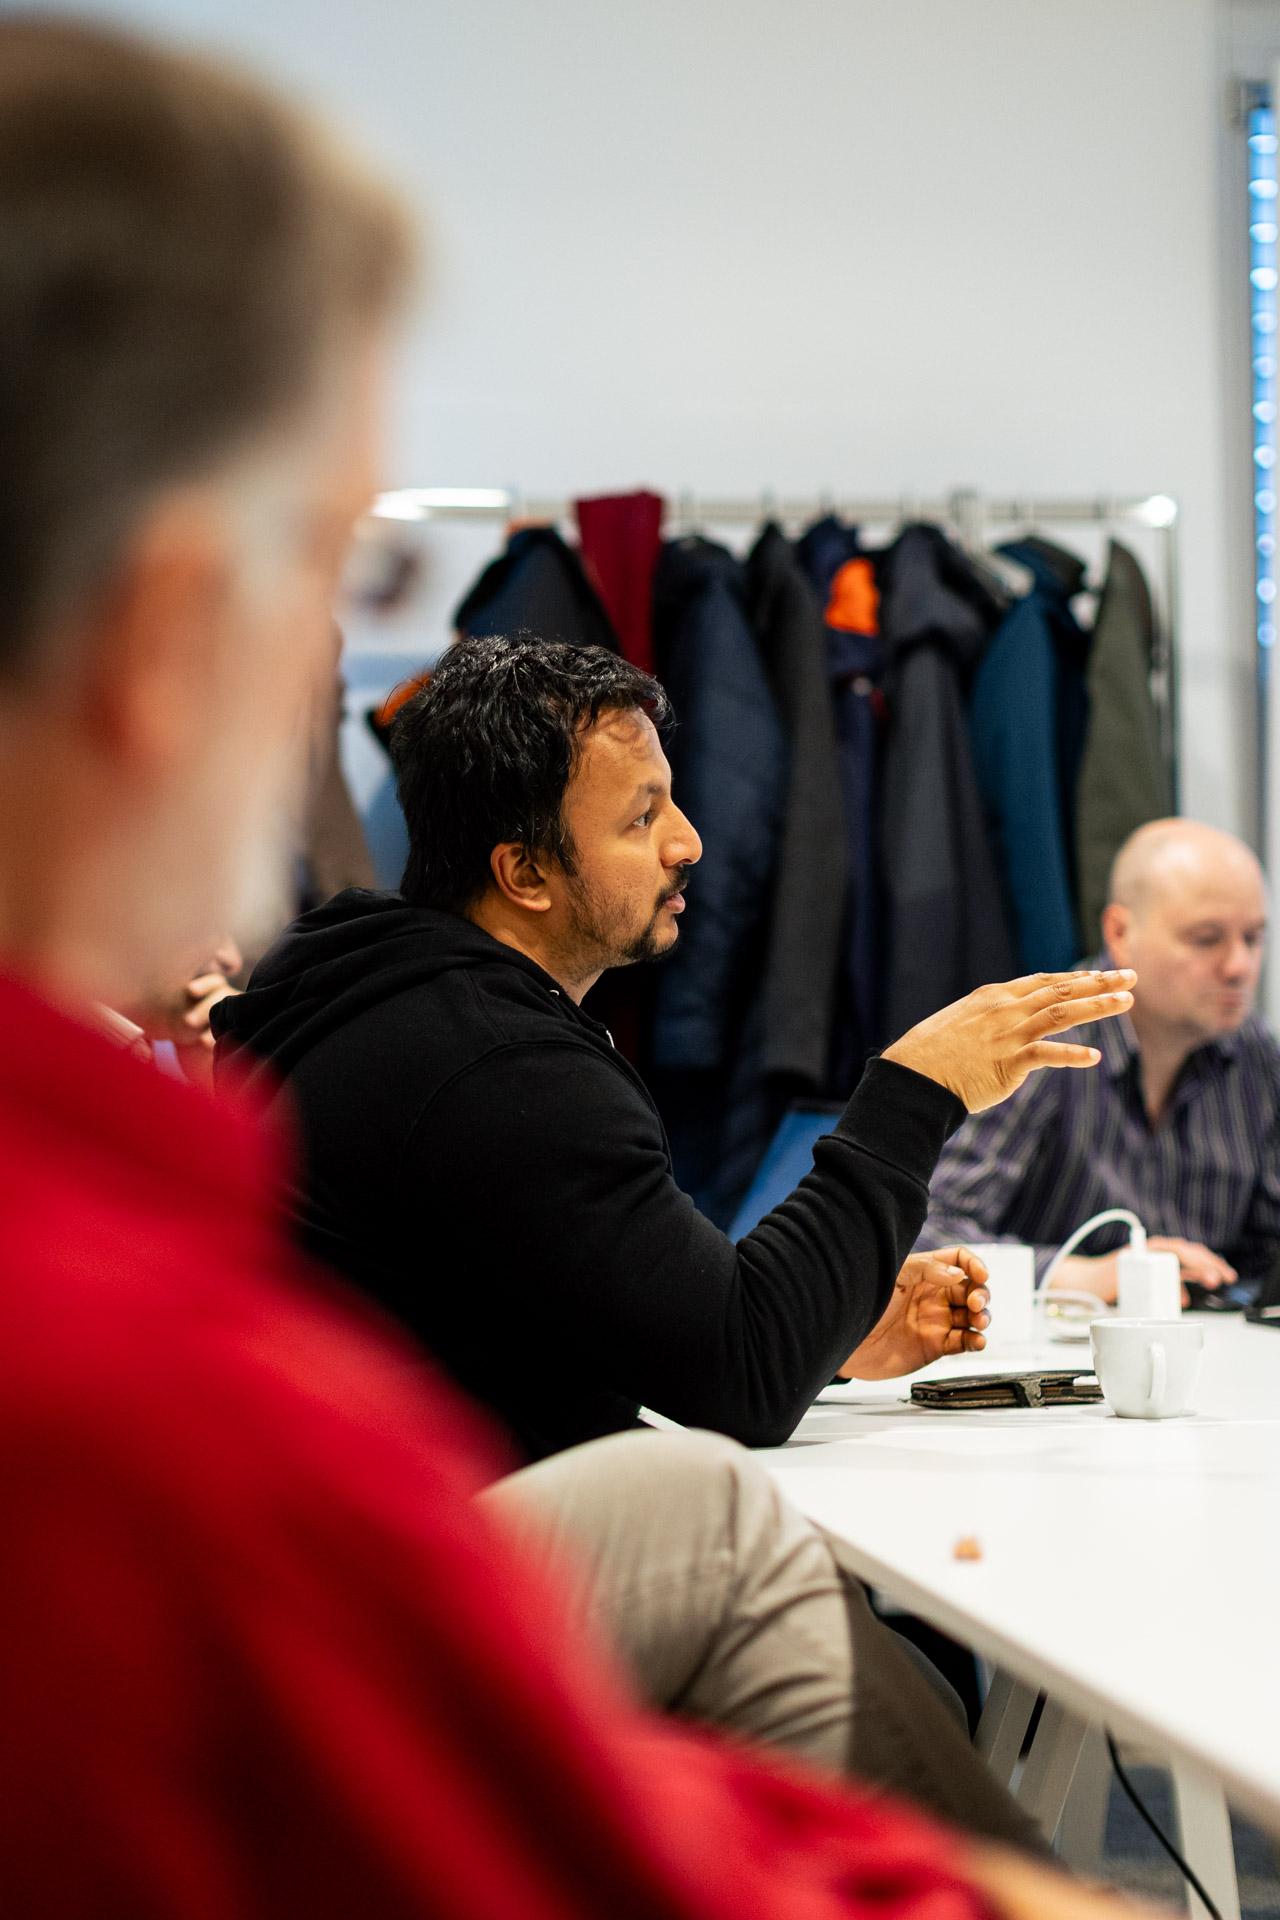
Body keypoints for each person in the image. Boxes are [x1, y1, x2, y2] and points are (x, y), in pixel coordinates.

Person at [0, 18, 1148, 1916]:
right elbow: (720, 1369)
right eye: (322, 587)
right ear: (164, 636)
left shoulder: (370, 1020)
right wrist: (910, 1087)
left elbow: (632, 1310)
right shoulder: (421, 1104)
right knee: (717, 1520)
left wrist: (840, 1315)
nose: (693, 846)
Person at [215, 631, 1135, 1461]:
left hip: (374, 1514)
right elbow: (745, 1379)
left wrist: (826, 1329)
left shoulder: (387, 996)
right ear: (524, 872)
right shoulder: (499, 1066)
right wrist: (917, 1087)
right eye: (640, 818)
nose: (688, 841)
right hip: (455, 1547)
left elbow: (607, 1322)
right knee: (742, 1528)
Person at [920, 818, 1280, 1301]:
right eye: (1206, 938)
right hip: (1036, 1337)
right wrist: (1084, 1276)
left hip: (1202, 1337)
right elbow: (927, 1230)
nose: (1239, 966)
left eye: (1253, 938)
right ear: (1120, 932)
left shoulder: (1257, 1056)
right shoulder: (1040, 1040)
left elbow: (1267, 1254)